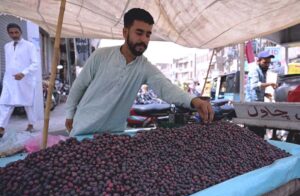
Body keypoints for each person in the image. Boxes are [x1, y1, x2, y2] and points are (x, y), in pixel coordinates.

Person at [65, 8, 214, 136]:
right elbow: (78, 86)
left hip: (114, 137)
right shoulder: (101, 56)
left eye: (148, 35)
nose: (144, 39)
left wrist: (194, 101)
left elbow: (166, 88)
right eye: (139, 32)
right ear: (125, 32)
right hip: (82, 131)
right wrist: (69, 115)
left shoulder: (144, 67)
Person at [0, 23, 44, 137]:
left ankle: (31, 124)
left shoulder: (29, 46)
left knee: (28, 103)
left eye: (16, 32)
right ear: (8, 33)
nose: (14, 35)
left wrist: (24, 73)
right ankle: (1, 127)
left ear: (21, 32)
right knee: (5, 102)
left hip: (25, 79)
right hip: (9, 79)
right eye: (11, 33)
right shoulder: (7, 46)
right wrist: (7, 76)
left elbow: (35, 63)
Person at [245, 50, 278, 137]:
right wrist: (270, 84)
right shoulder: (255, 70)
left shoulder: (263, 71)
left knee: (260, 132)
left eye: (269, 63)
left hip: (258, 106)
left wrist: (264, 94)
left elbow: (256, 91)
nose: (267, 65)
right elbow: (255, 85)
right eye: (265, 62)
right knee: (254, 132)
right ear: (258, 61)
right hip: (252, 107)